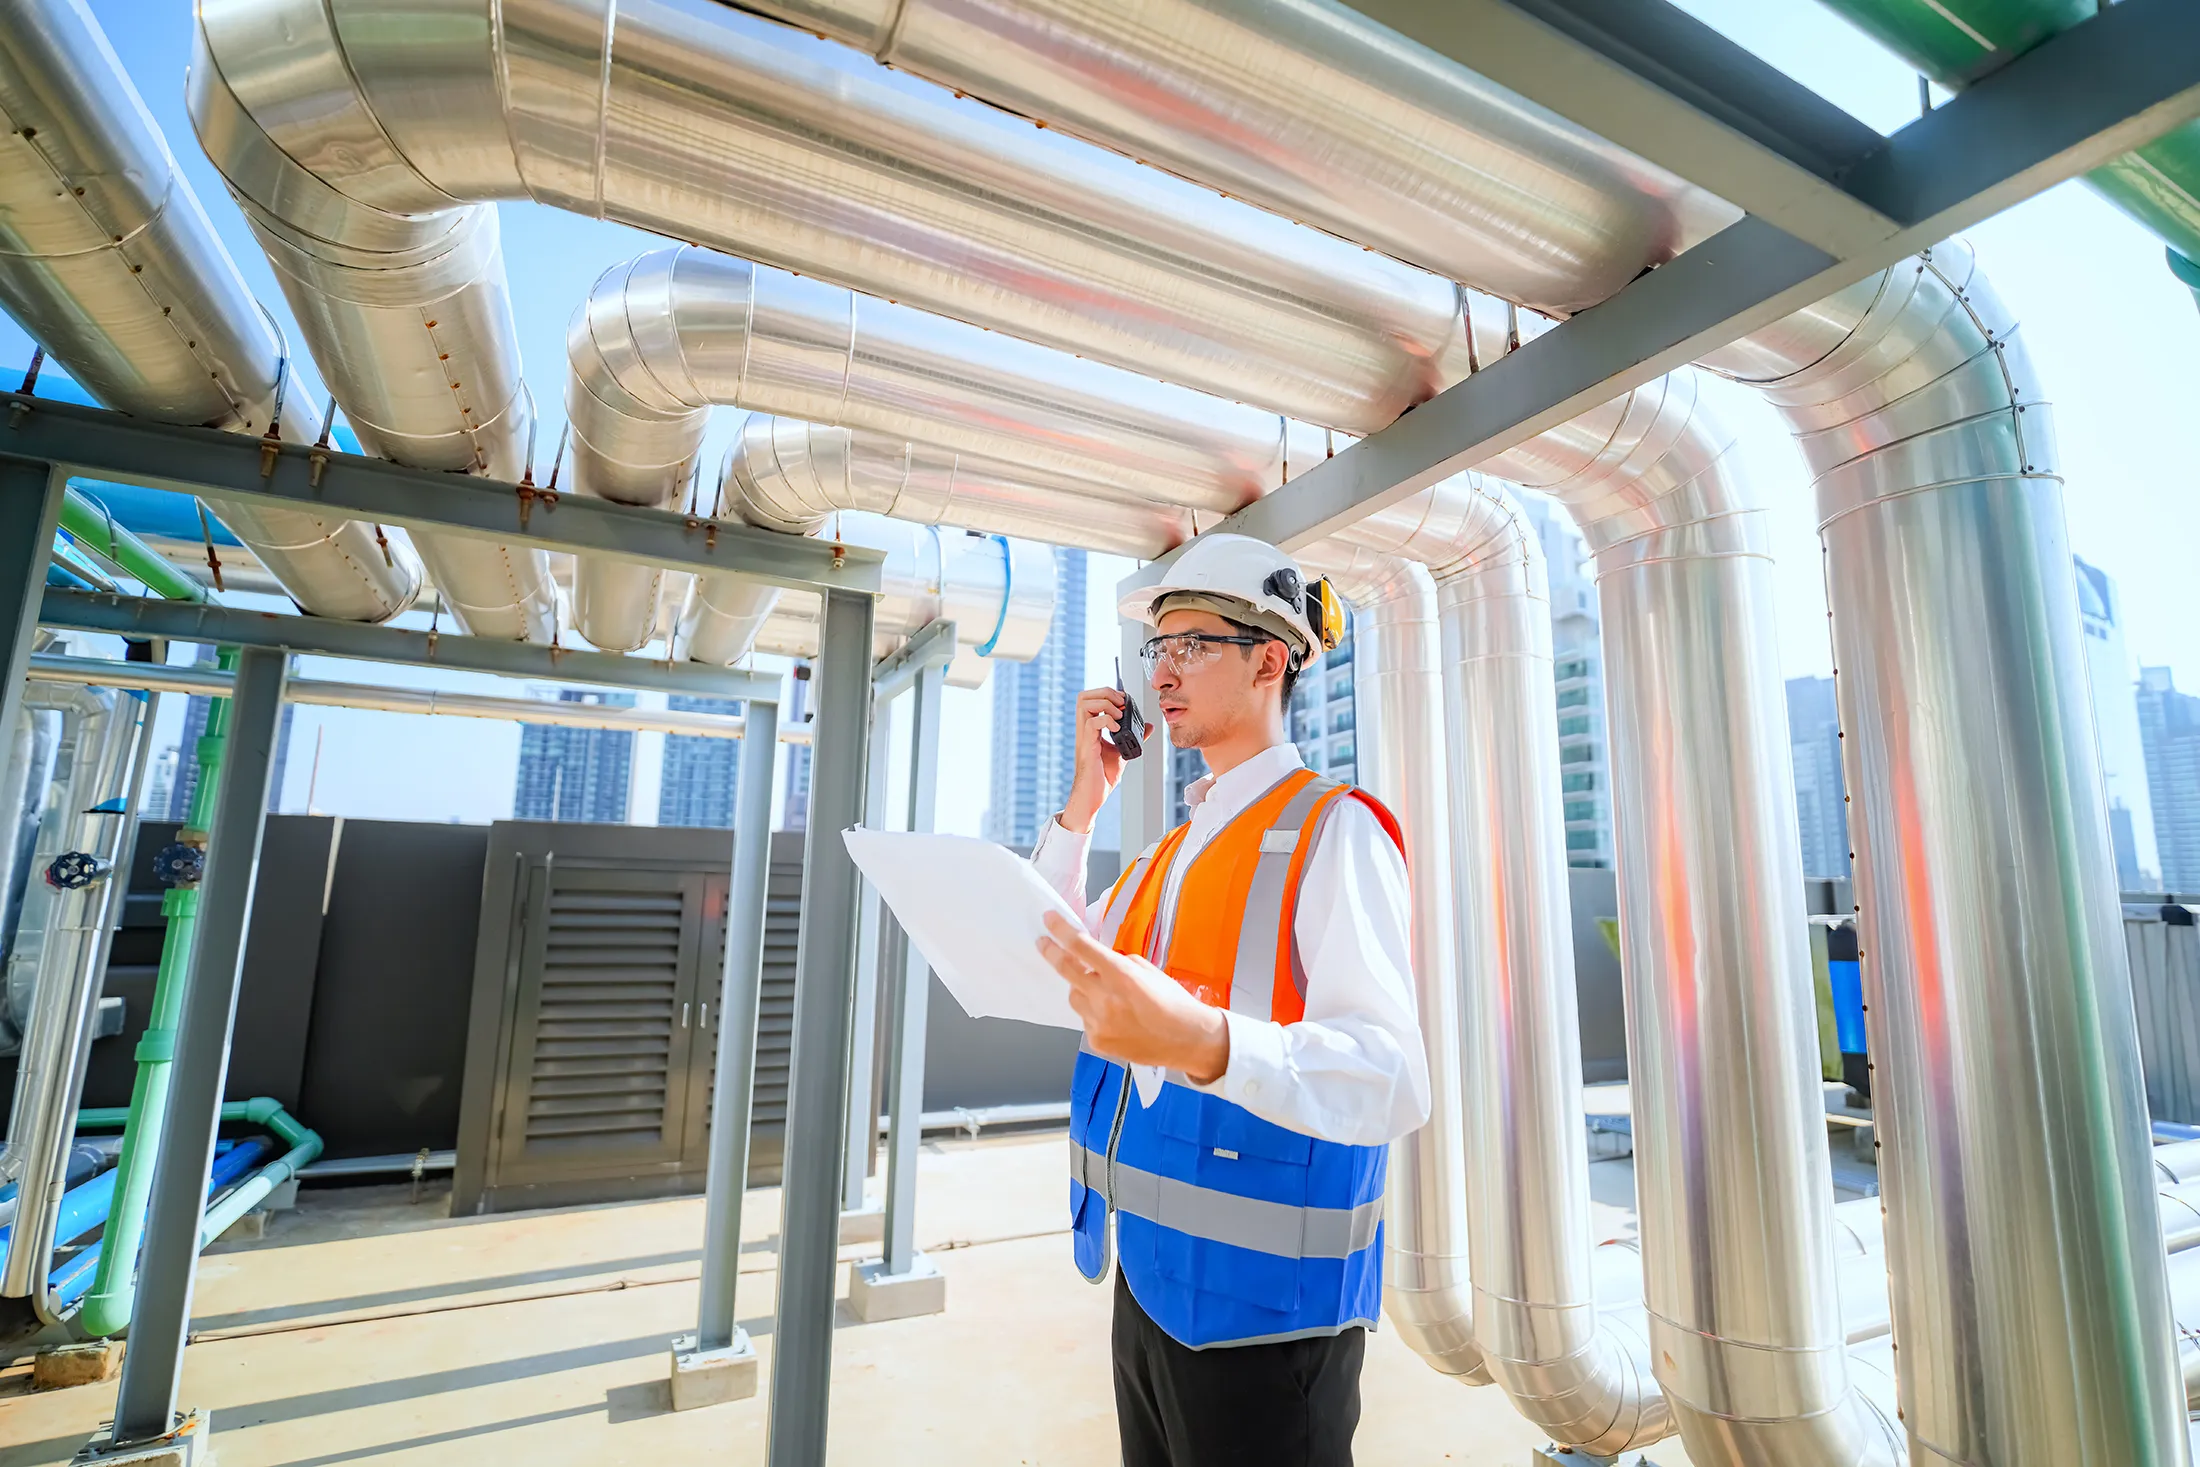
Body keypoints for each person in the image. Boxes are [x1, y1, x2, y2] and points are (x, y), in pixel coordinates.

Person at [1031, 533, 1429, 1467]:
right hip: (1152, 1288)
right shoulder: (1170, 852)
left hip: (1272, 1328)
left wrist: (1208, 1041)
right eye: (1155, 651)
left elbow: (1391, 1076)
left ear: (1268, 660)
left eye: (1190, 646)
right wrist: (1081, 808)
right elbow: (1050, 954)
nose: (1161, 673)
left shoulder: (1333, 832)